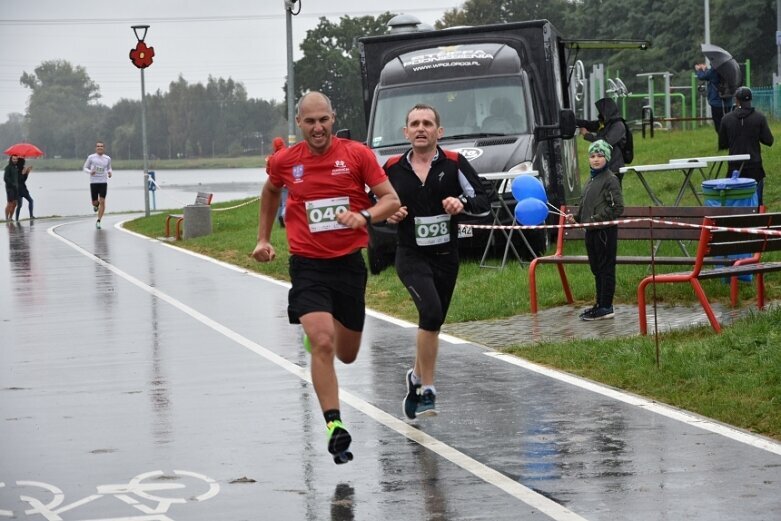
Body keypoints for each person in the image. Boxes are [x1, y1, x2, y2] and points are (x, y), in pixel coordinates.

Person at [251, 91, 400, 463]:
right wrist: (263, 239)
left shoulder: (357, 155)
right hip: (308, 266)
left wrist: (364, 217)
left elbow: (391, 200)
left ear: (333, 119)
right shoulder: (285, 161)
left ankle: (323, 339)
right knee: (322, 342)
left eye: (324, 120)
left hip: (349, 264)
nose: (318, 128)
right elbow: (271, 190)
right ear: (298, 123)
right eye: (310, 121)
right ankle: (335, 425)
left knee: (347, 355)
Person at [384, 104, 491, 419]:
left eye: (427, 123)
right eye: (414, 124)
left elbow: (484, 200)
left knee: (434, 323)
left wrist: (462, 202)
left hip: (446, 256)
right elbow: (370, 205)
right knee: (429, 312)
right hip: (410, 255)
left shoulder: (455, 164)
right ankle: (428, 390)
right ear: (406, 132)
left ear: (438, 132)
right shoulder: (391, 167)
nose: (421, 128)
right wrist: (388, 215)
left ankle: (415, 377)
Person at [565, 140, 624, 321]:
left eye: (599, 156)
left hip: (605, 232)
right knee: (596, 268)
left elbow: (617, 207)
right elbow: (586, 204)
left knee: (606, 269)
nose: (596, 159)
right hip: (591, 231)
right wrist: (576, 217)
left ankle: (607, 306)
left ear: (606, 158)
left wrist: (595, 220)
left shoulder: (610, 179)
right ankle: (599, 304)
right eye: (592, 156)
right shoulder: (591, 180)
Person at [718, 87, 774, 205]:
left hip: (734, 168)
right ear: (751, 100)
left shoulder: (726, 119)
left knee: (734, 201)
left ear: (736, 100)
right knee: (757, 202)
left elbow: (723, 144)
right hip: (755, 166)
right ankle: (757, 221)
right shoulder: (759, 118)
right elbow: (769, 141)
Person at [576, 97, 626, 181]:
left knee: (612, 192)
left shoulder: (618, 125)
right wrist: (573, 121)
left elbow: (604, 142)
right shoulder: (606, 123)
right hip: (605, 166)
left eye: (601, 111)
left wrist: (587, 135)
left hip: (614, 167)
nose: (599, 114)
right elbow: (589, 124)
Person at [695, 63, 734, 133]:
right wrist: (706, 69)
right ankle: (729, 141)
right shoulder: (730, 69)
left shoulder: (714, 70)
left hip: (716, 102)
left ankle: (723, 142)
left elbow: (702, 76)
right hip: (728, 101)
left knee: (719, 125)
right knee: (728, 123)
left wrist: (699, 70)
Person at [82, 141, 112, 229]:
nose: (100, 148)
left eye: (101, 146)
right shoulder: (91, 157)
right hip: (94, 182)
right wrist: (90, 172)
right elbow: (84, 168)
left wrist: (110, 172)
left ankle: (98, 221)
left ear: (104, 148)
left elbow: (109, 168)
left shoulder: (107, 158)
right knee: (95, 202)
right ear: (96, 148)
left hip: (103, 182)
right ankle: (96, 205)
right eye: (98, 146)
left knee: (102, 201)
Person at [267, 136, 287, 227]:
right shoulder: (288, 153)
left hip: (275, 184)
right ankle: (283, 217)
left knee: (278, 203)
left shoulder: (272, 157)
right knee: (285, 203)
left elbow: (268, 171)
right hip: (286, 183)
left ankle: (279, 219)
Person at [4, 155, 20, 222]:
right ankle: (6, 218)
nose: (15, 160)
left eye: (16, 159)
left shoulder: (16, 167)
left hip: (16, 188)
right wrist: (12, 184)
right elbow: (5, 178)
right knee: (10, 203)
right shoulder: (8, 167)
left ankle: (10, 218)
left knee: (15, 204)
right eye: (14, 159)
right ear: (11, 159)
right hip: (9, 188)